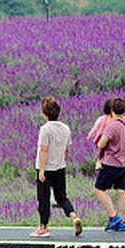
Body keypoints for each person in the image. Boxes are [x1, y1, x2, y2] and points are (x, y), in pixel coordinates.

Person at [31, 98, 84, 239]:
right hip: (60, 168)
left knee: (44, 198)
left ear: (45, 113)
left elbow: (43, 150)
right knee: (61, 197)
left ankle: (43, 227)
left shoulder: (45, 129)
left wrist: (41, 170)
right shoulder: (65, 128)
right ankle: (74, 216)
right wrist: (61, 160)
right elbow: (67, 150)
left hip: (46, 169)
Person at [91, 97, 125, 234]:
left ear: (111, 110)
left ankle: (113, 216)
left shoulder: (112, 126)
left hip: (111, 163)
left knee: (99, 189)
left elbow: (101, 144)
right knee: (121, 192)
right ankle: (122, 222)